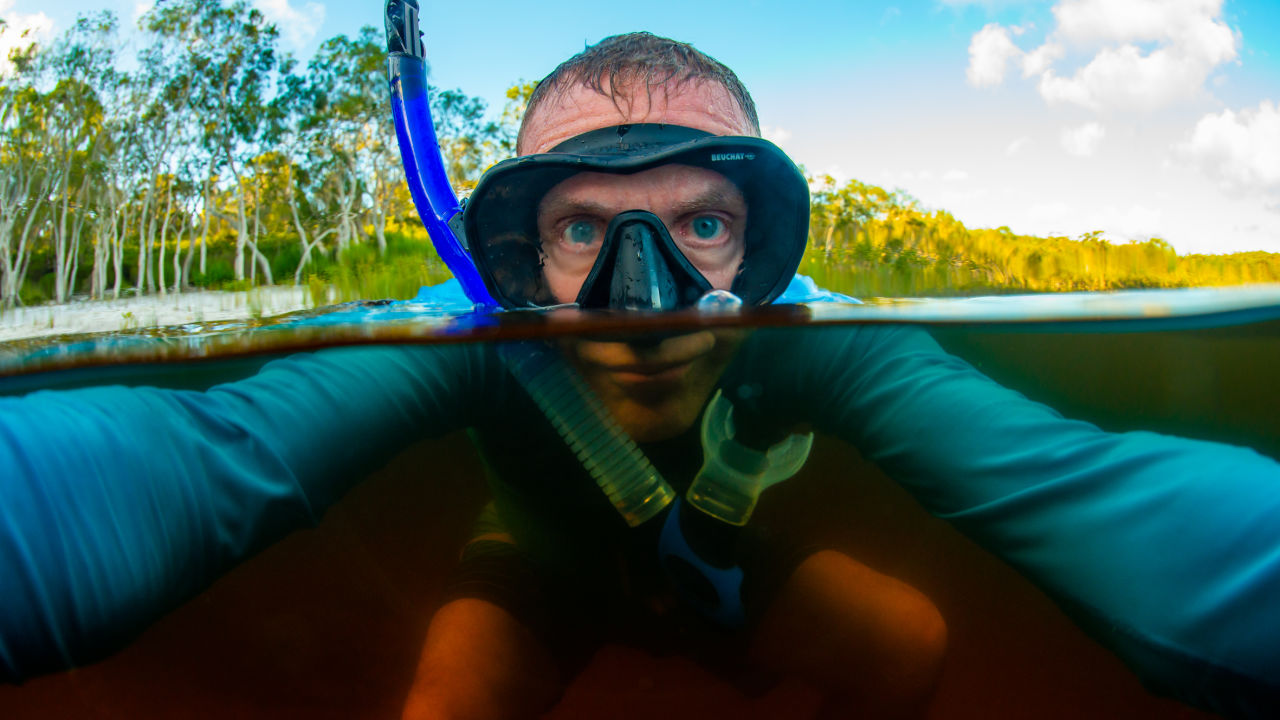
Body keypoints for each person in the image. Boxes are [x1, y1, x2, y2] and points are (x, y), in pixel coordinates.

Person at [1, 20, 1279, 720]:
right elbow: (212, 457)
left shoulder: (818, 337)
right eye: (580, 231)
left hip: (722, 570)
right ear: (515, 250)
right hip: (538, 562)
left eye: (699, 226)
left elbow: (1075, 480)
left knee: (909, 648)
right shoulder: (464, 335)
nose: (644, 300)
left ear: (761, 241)